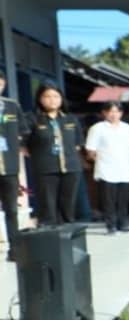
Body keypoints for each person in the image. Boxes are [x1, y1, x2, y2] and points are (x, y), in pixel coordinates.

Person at [24, 83, 83, 225]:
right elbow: (24, 146)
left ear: (61, 99)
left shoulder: (70, 119)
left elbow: (78, 144)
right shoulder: (32, 119)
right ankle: (50, 241)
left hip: (70, 169)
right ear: (40, 99)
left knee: (68, 208)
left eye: (56, 96)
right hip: (45, 170)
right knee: (47, 209)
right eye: (47, 96)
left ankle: (68, 240)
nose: (52, 100)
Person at [84, 102, 129, 234]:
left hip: (124, 168)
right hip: (106, 169)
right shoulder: (97, 128)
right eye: (110, 111)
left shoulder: (127, 128)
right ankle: (111, 225)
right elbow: (90, 150)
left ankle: (123, 223)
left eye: (117, 111)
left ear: (121, 113)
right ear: (104, 113)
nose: (114, 115)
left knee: (123, 199)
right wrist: (101, 161)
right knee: (108, 200)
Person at [1, 72, 28, 260]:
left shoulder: (12, 105)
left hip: (9, 166)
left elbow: (23, 132)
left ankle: (15, 248)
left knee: (11, 209)